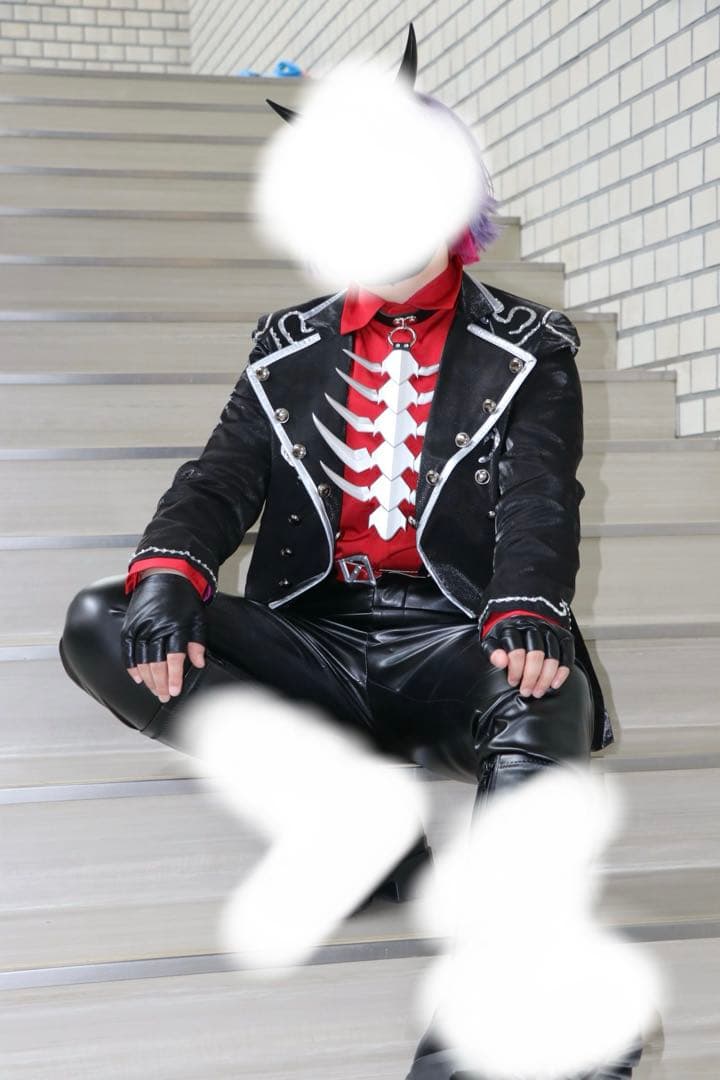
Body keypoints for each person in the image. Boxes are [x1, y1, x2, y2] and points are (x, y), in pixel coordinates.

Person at [58, 23, 643, 1080]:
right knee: (105, 621)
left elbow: (540, 496)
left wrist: (525, 605)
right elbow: (218, 479)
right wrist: (170, 573)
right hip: (319, 641)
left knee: (544, 686)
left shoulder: (531, 346)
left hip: (455, 638)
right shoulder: (285, 346)